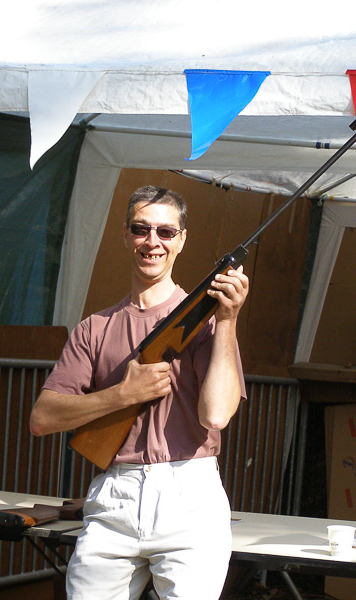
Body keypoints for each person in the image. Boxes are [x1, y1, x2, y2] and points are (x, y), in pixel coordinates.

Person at [29, 185, 249, 600]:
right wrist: (121, 394)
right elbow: (42, 419)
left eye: (166, 232)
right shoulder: (94, 328)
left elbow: (217, 415)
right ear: (126, 236)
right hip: (116, 494)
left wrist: (229, 320)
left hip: (190, 494)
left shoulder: (209, 325)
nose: (153, 242)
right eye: (141, 229)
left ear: (182, 240)